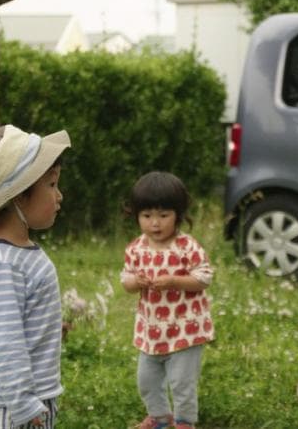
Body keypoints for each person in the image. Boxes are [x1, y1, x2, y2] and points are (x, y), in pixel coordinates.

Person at [0, 124, 71, 429]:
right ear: (19, 198)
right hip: (9, 409)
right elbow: (4, 341)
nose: (59, 196)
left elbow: (14, 321)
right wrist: (24, 406)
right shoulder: (4, 263)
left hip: (23, 401)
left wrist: (47, 325)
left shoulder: (17, 252)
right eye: (51, 185)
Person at [120, 171, 214, 429]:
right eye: (147, 216)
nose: (155, 224)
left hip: (186, 329)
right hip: (151, 331)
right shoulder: (136, 248)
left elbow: (204, 278)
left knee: (182, 383)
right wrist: (134, 282)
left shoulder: (186, 246)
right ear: (137, 215)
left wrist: (175, 281)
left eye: (164, 215)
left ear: (178, 215)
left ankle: (184, 422)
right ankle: (160, 417)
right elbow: (125, 280)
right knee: (146, 379)